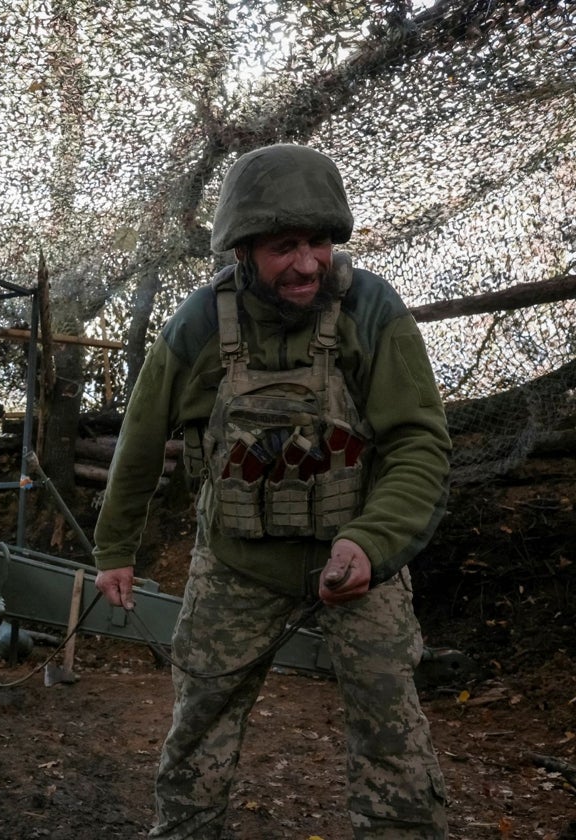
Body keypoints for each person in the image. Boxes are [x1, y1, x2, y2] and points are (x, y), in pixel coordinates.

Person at [93, 144, 451, 838]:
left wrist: (371, 542)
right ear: (243, 250)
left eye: (318, 242)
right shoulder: (200, 323)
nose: (308, 264)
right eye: (285, 247)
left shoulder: (372, 309)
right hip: (237, 564)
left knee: (391, 731)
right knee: (199, 722)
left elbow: (419, 442)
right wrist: (116, 548)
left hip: (357, 562)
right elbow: (140, 438)